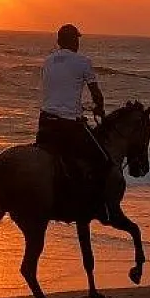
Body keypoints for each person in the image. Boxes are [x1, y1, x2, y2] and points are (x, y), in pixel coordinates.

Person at [35, 23, 108, 209]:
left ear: (59, 41)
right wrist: (99, 108)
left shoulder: (47, 61)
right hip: (67, 125)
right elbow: (96, 94)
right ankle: (96, 205)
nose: (78, 43)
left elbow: (56, 91)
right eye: (77, 39)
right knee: (100, 157)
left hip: (44, 122)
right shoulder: (83, 62)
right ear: (74, 41)